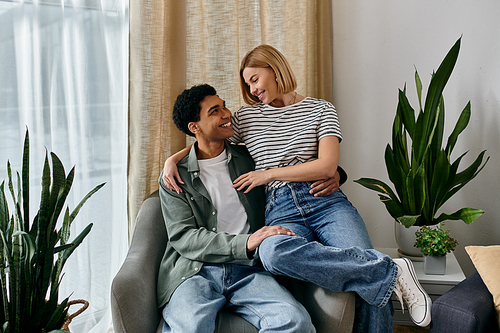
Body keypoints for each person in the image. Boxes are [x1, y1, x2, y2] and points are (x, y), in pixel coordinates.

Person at [162, 45, 432, 332]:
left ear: (275, 70)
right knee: (273, 253)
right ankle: (390, 269)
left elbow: (327, 166)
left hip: (327, 202)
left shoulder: (321, 109)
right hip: (280, 208)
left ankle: (382, 274)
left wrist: (270, 174)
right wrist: (172, 159)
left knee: (363, 275)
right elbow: (210, 138)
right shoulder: (249, 117)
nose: (251, 90)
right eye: (247, 84)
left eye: (254, 79)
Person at [157, 84, 315, 333]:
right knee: (191, 328)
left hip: (249, 270)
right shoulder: (176, 176)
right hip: (194, 272)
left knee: (295, 322)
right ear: (194, 127)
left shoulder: (250, 157)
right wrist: (247, 242)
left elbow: (291, 164)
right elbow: (184, 237)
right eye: (215, 111)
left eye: (224, 106)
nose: (226, 114)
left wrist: (335, 173)